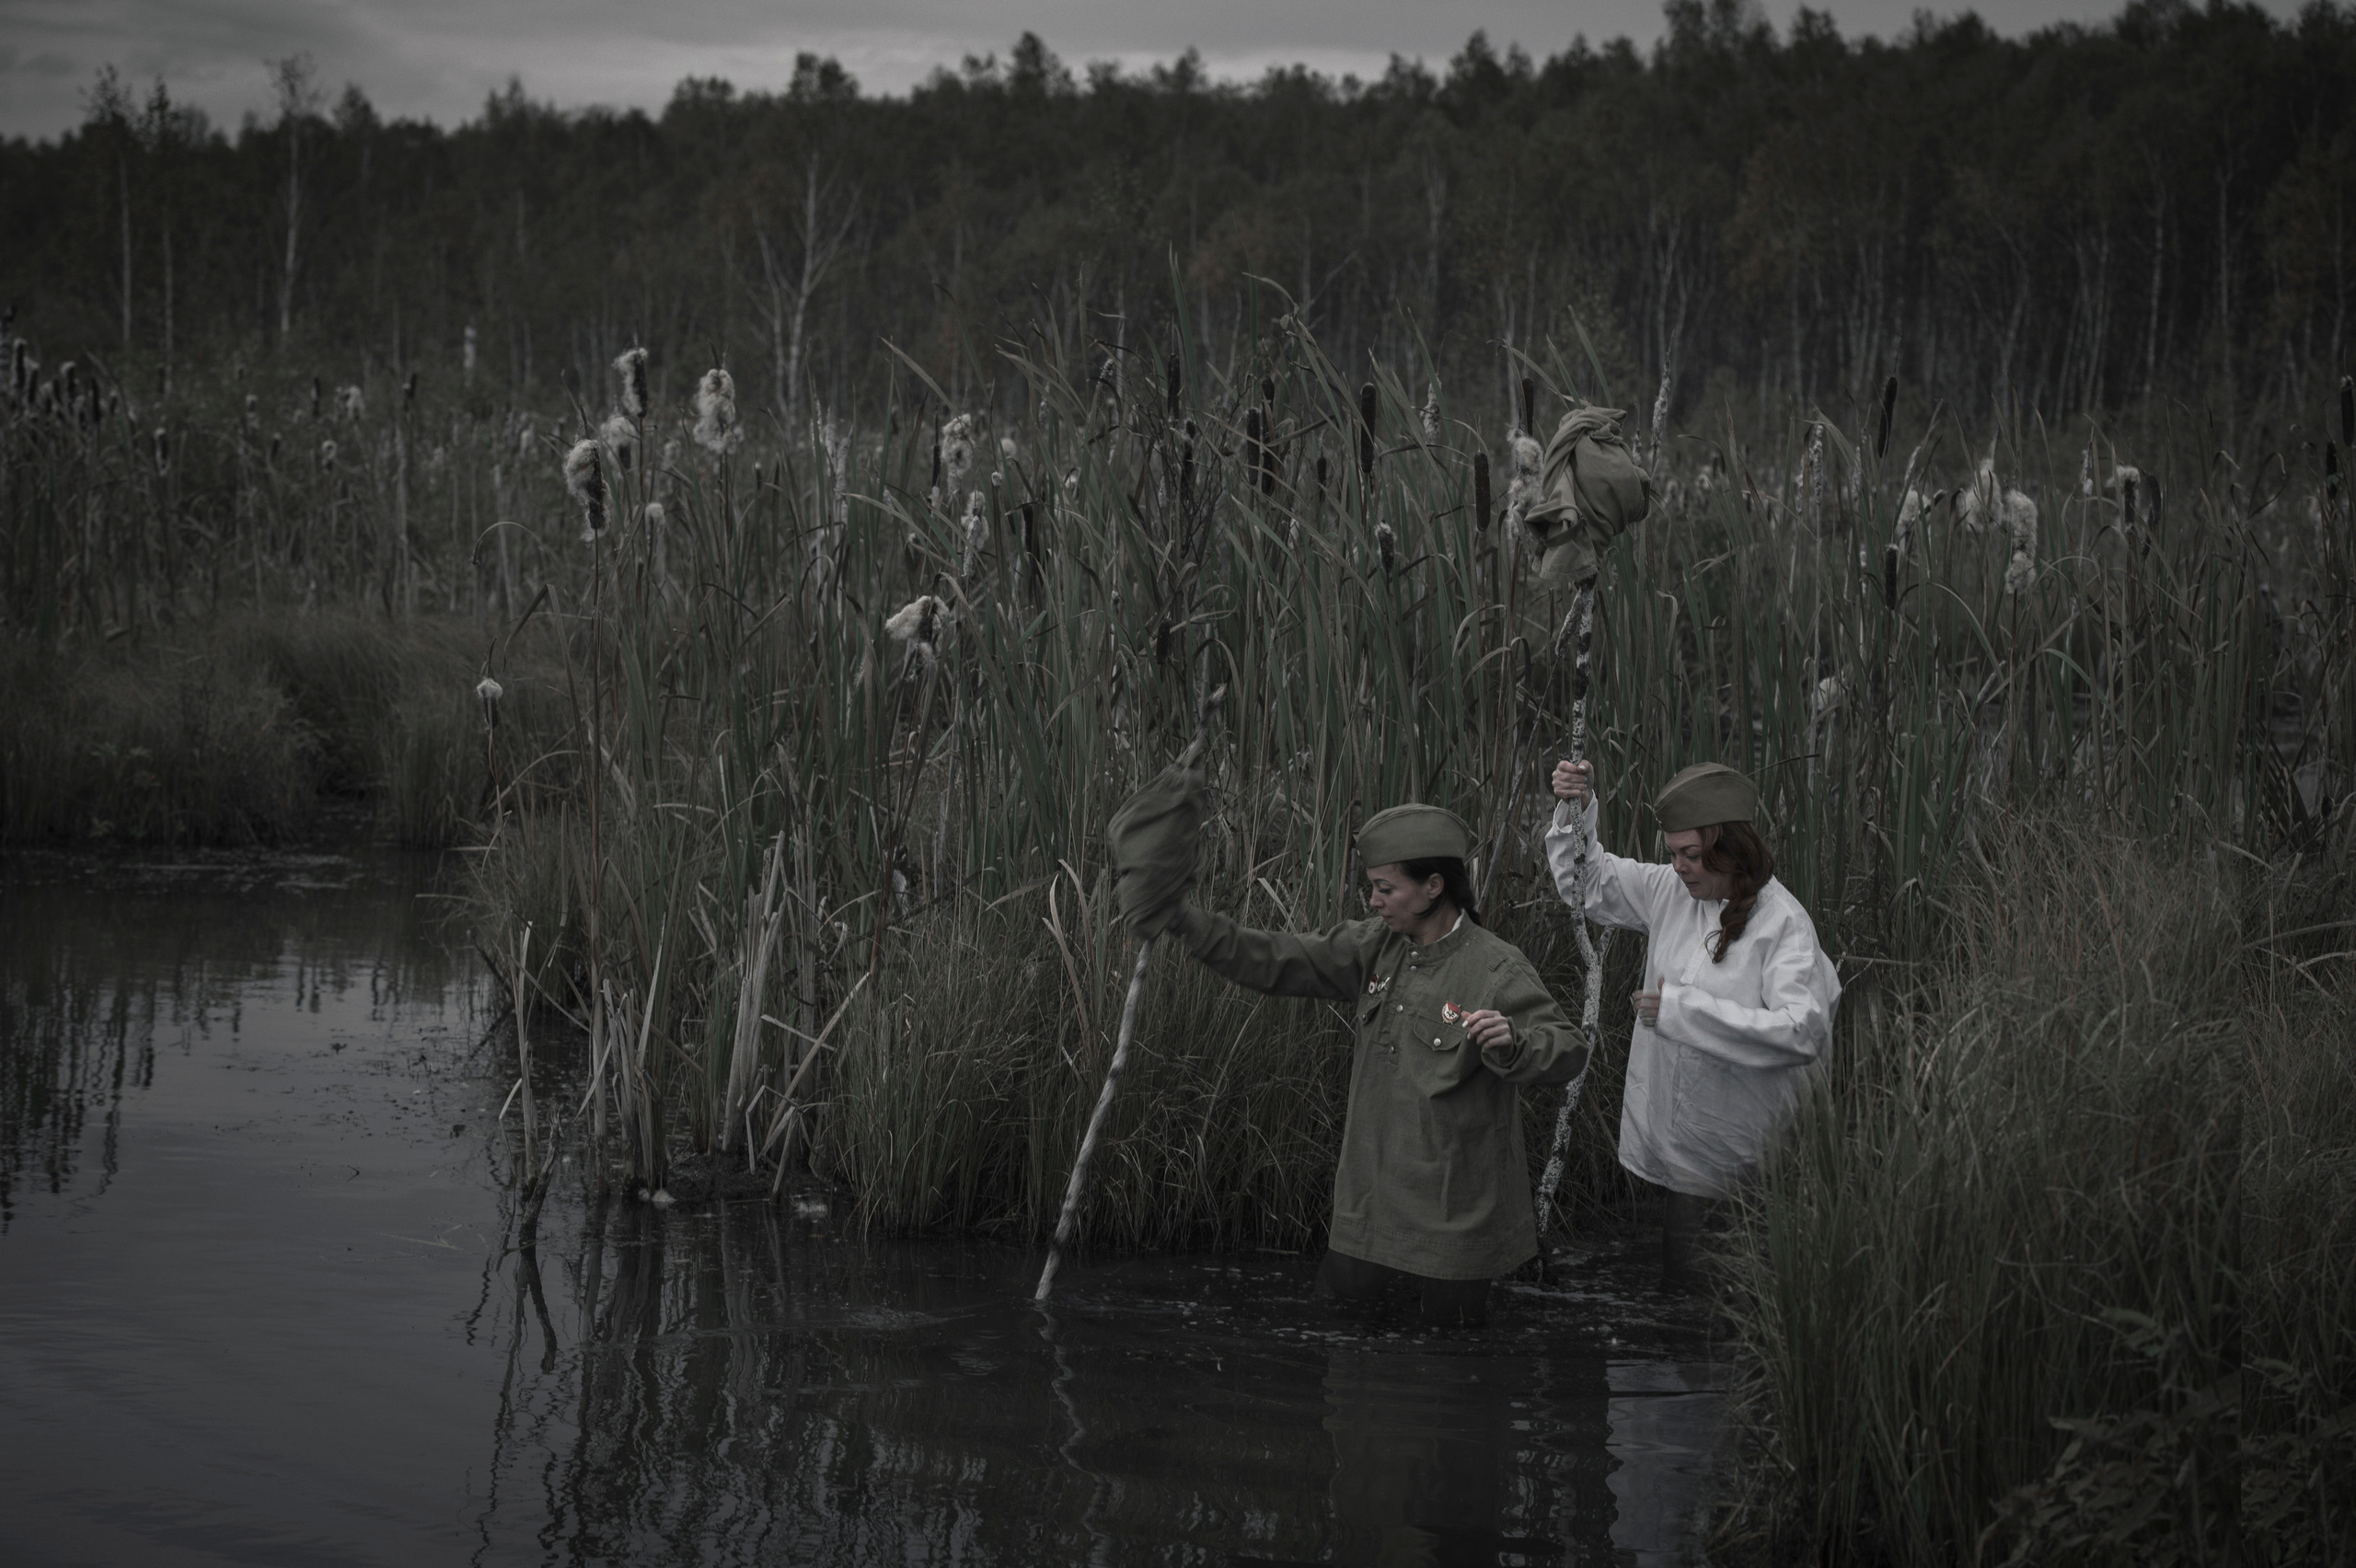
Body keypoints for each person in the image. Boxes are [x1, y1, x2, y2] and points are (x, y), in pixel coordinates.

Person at [1118, 787, 1586, 1326]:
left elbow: (1568, 1050)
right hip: (1370, 1202)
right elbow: (1272, 959)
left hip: (1456, 1216)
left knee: (1452, 1360)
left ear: (1433, 887)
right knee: (1335, 1327)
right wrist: (1181, 918)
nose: (1372, 901)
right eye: (1373, 888)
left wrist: (1515, 1043)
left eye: (1385, 888)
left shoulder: (1496, 968)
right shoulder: (1373, 948)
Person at [1543, 759, 1839, 1264]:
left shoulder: (1783, 926)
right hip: (1688, 1149)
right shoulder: (1671, 892)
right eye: (1674, 854)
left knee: (1732, 1301)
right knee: (1682, 1293)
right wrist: (1577, 808)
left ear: (1732, 850)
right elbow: (1587, 885)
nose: (1679, 866)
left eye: (1692, 855)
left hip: (1747, 1154)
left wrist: (1684, 1011)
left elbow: (1802, 1030)